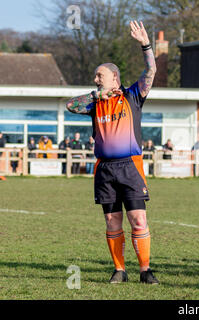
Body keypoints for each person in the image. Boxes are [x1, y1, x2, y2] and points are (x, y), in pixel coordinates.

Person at [65, 21, 159, 284]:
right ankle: (119, 269)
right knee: (111, 220)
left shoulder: (132, 95)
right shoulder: (93, 103)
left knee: (138, 219)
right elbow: (70, 105)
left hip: (130, 166)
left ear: (114, 77)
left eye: (100, 76)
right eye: (95, 77)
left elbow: (151, 70)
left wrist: (145, 45)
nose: (96, 79)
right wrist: (97, 95)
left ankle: (145, 270)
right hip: (104, 168)